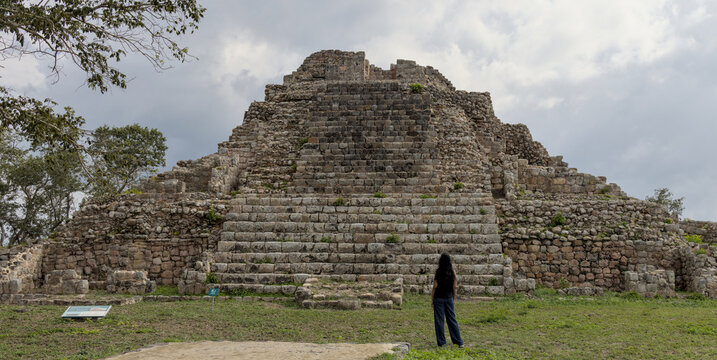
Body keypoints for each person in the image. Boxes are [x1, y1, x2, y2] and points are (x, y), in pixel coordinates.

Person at [431, 253, 464, 348]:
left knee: (439, 321)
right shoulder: (452, 272)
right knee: (452, 320)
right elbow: (454, 286)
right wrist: (453, 298)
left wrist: (432, 299)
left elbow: (435, 286)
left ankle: (442, 343)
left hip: (438, 298)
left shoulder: (438, 271)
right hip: (449, 297)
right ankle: (459, 341)